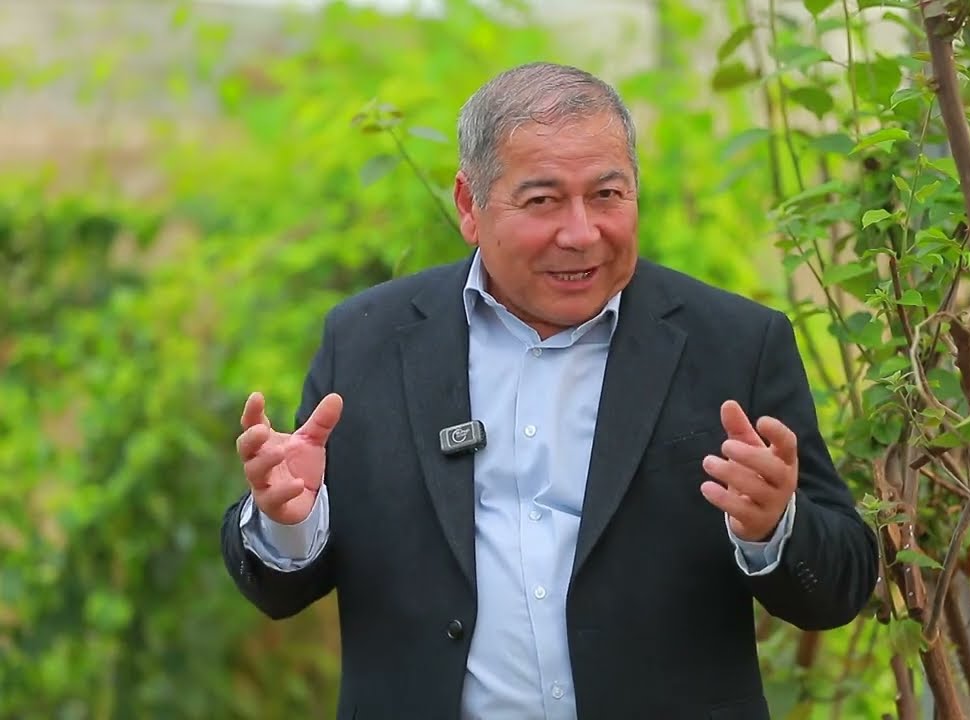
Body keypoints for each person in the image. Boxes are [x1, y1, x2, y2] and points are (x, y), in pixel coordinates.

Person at [221, 62, 879, 720]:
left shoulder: (734, 344)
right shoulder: (369, 339)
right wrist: (289, 521)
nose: (581, 233)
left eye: (607, 195)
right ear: (470, 206)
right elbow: (281, 591)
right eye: (542, 201)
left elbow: (840, 584)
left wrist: (774, 527)